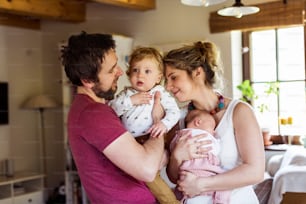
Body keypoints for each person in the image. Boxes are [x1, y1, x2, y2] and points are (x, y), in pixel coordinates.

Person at [60, 31, 166, 204]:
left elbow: (143, 163)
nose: (120, 72)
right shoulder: (93, 114)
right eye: (111, 70)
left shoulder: (87, 109)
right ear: (88, 80)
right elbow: (147, 169)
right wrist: (157, 120)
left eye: (117, 65)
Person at [163, 41, 265, 204]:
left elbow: (255, 171)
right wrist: (176, 157)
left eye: (173, 77)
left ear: (197, 73)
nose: (168, 86)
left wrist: (201, 184)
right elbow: (175, 178)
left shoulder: (239, 112)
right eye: (166, 80)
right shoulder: (179, 120)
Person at [109, 46, 180, 204]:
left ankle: (172, 202)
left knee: (153, 180)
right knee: (134, 181)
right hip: (129, 143)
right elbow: (111, 109)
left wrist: (163, 124)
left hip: (151, 139)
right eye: (135, 70)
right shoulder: (126, 95)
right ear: (128, 75)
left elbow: (174, 112)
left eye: (147, 71)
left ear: (158, 77)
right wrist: (131, 101)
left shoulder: (159, 94)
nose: (140, 74)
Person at [170, 109, 231, 204]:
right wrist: (217, 141)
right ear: (198, 122)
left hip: (184, 175)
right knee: (225, 183)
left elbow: (171, 148)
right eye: (212, 128)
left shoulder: (179, 136)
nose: (214, 132)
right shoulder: (202, 136)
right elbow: (215, 150)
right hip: (201, 172)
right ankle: (220, 201)